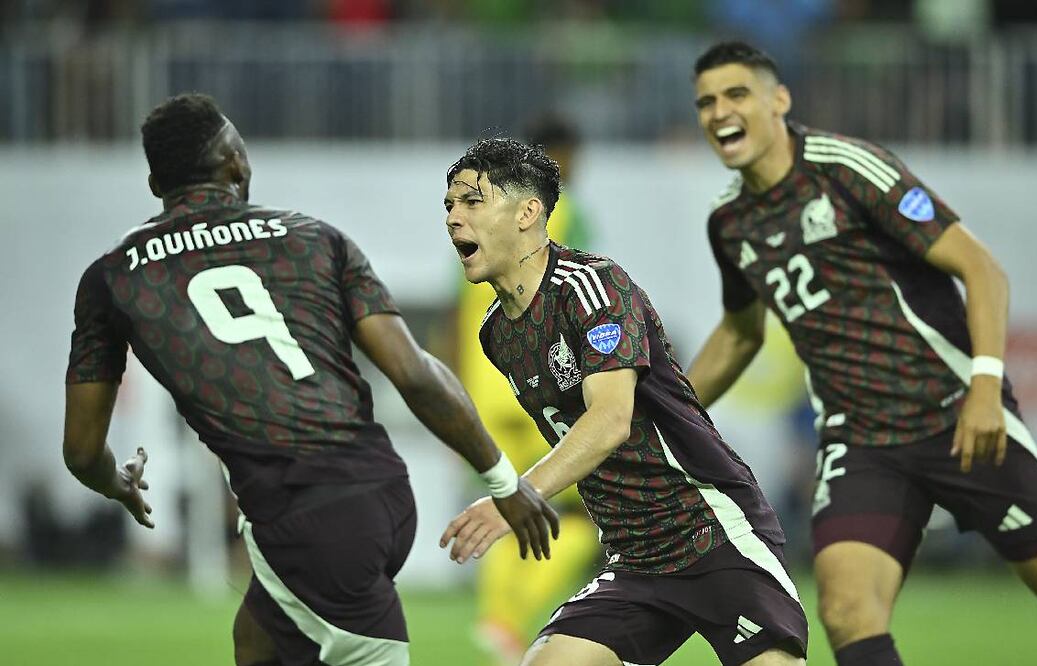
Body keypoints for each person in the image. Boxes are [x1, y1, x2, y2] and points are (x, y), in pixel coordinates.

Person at [62, 93, 559, 666]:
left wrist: (115, 481)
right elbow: (416, 375)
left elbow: (80, 450)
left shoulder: (113, 278)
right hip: (377, 492)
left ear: (155, 183)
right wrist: (503, 480)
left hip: (306, 523)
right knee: (257, 643)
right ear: (236, 166)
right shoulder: (314, 239)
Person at [687, 40, 1037, 665]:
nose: (720, 112)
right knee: (848, 612)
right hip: (864, 442)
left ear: (779, 100)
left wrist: (985, 387)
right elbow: (741, 332)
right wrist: (665, 413)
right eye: (706, 102)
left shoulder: (848, 169)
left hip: (958, 417)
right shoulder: (729, 223)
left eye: (736, 94)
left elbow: (982, 269)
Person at [438, 138, 807, 666]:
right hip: (634, 559)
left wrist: (515, 495)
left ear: (528, 212)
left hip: (710, 532)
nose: (454, 218)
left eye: (472, 202)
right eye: (449, 205)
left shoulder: (592, 285)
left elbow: (610, 420)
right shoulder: (497, 334)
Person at [457, 115, 600, 663]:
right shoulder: (564, 216)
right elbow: (575, 291)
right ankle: (517, 613)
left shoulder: (478, 223)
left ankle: (498, 618)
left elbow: (457, 307)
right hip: (545, 383)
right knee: (579, 515)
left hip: (487, 386)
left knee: (511, 497)